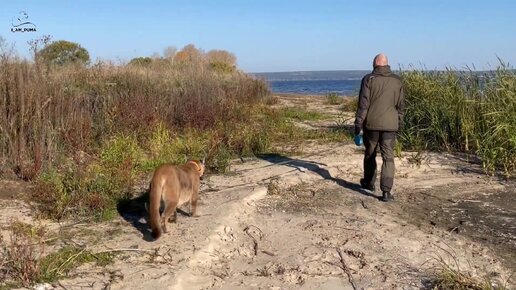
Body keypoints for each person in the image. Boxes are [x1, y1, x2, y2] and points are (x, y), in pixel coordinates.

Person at [354, 53, 404, 202]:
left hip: (372, 125)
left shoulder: (368, 79)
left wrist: (358, 126)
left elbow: (363, 105)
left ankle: (369, 183)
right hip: (390, 125)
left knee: (370, 154)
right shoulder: (397, 81)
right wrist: (400, 124)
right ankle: (386, 192)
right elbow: (401, 106)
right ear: (387, 64)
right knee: (388, 157)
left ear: (374, 64)